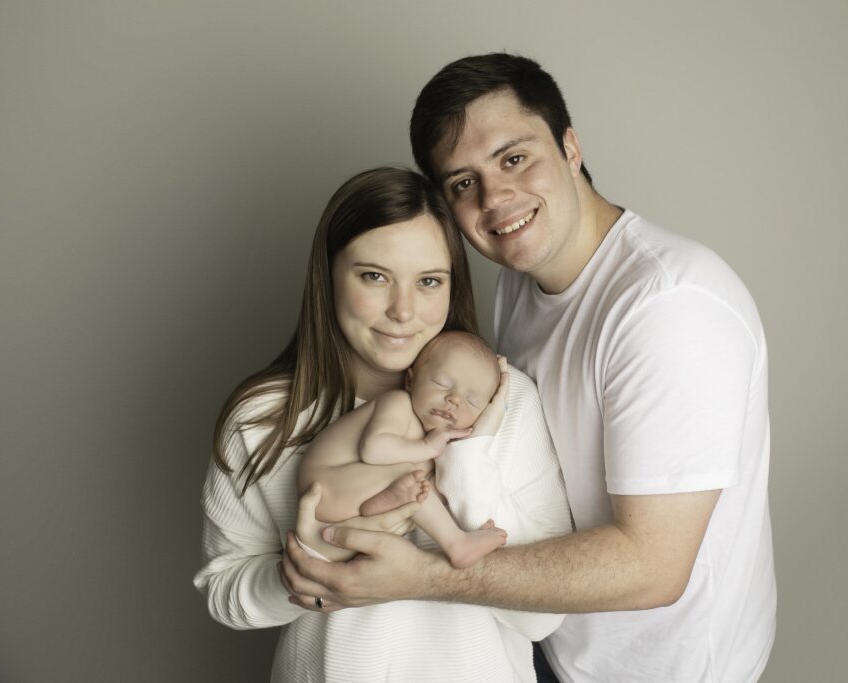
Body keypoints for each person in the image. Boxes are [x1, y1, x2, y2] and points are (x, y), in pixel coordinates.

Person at [281, 54, 777, 682]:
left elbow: (654, 566)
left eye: (514, 158)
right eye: (463, 183)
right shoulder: (520, 283)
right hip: (545, 641)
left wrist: (427, 576)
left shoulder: (668, 309)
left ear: (570, 146)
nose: (495, 198)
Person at [194, 166, 572, 682]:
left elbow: (543, 618)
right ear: (327, 276)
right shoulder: (263, 419)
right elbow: (224, 593)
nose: (403, 311)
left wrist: (469, 458)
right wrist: (305, 570)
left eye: (429, 281)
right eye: (374, 276)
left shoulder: (506, 404)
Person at [294, 330, 510, 569]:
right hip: (325, 484)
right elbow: (373, 449)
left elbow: (454, 489)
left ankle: (381, 504)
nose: (454, 400)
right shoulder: (398, 404)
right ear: (410, 380)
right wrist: (427, 447)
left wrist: (481, 435)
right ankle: (457, 544)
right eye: (441, 384)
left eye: (472, 401)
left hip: (349, 505)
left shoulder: (438, 444)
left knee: (420, 487)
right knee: (410, 476)